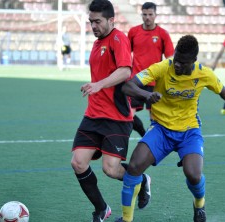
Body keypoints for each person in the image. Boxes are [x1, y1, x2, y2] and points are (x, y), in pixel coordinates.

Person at [115, 35, 225, 222]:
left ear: (193, 61)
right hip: (161, 129)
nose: (177, 65)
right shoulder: (164, 67)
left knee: (194, 175)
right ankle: (126, 219)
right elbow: (128, 86)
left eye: (182, 62)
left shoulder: (203, 74)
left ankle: (199, 204)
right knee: (134, 166)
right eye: (176, 59)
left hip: (189, 131)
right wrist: (145, 95)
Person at [70, 0, 150, 221]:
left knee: (111, 170)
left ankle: (142, 181)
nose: (93, 26)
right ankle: (101, 209)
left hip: (116, 117)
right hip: (93, 114)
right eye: (91, 22)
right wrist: (96, 84)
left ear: (111, 20)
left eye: (97, 21)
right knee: (78, 162)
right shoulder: (97, 43)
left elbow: (125, 71)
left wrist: (98, 85)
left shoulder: (118, 39)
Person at [127, 2, 174, 137]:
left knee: (154, 119)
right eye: (145, 14)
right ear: (141, 14)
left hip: (155, 83)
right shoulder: (133, 32)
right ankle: (142, 134)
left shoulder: (163, 34)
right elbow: (124, 53)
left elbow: (170, 58)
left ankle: (150, 145)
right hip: (136, 81)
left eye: (150, 14)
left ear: (155, 15)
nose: (147, 17)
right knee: (127, 117)